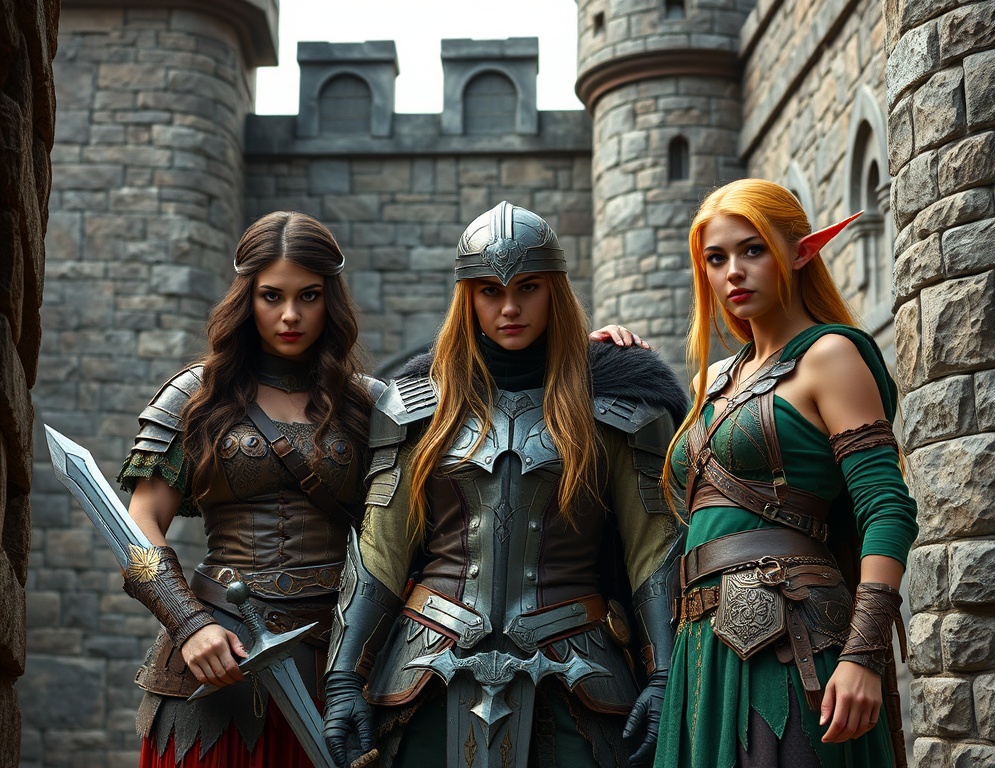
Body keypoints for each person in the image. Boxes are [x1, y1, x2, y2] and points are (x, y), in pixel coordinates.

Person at [321, 201, 689, 768]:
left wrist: (664, 675)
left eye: (529, 288)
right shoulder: (416, 407)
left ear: (555, 291)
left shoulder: (621, 406)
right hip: (424, 673)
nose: (510, 307)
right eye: (490, 291)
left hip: (580, 677)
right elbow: (379, 552)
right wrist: (345, 677)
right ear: (467, 297)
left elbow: (654, 553)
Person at [653, 179, 918, 768]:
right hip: (701, 653)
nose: (733, 273)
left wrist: (863, 655)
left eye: (753, 250)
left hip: (791, 638)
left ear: (799, 252)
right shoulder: (715, 379)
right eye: (716, 259)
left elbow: (886, 507)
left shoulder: (831, 355)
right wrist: (614, 361)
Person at [117, 211, 380, 767]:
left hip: (340, 666)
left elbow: (480, 405)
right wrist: (190, 625)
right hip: (217, 661)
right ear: (247, 298)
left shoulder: (370, 406)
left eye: (308, 296)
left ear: (331, 300)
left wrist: (597, 356)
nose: (290, 315)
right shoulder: (199, 395)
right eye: (271, 296)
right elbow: (138, 524)